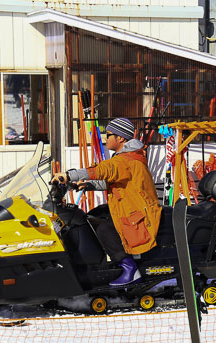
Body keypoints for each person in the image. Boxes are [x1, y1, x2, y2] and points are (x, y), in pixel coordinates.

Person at [52, 118, 162, 287]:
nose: (106, 138)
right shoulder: (125, 158)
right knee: (95, 215)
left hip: (138, 218)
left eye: (109, 134)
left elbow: (104, 170)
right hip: (130, 211)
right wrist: (87, 185)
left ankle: (130, 269)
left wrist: (70, 174)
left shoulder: (126, 160)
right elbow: (110, 180)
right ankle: (104, 263)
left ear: (121, 139)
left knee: (103, 229)